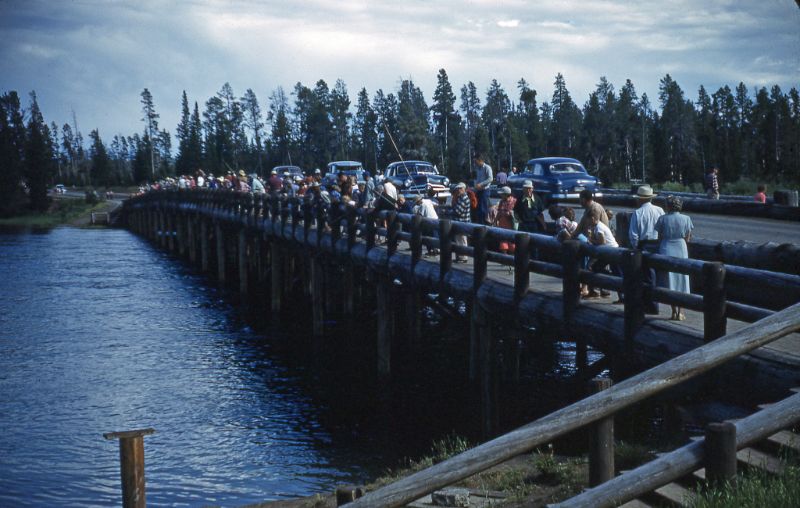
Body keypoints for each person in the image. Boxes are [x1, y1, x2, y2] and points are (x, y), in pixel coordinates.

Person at [655, 195, 694, 321]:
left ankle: (673, 311)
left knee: (670, 279)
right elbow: (688, 237)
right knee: (682, 278)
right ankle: (681, 312)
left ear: (668, 206)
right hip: (681, 246)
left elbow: (659, 237)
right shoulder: (686, 218)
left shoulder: (662, 219)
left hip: (666, 246)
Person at [628, 184, 664, 314]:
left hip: (644, 244)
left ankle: (650, 305)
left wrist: (636, 248)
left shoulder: (637, 213)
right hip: (658, 244)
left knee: (647, 277)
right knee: (657, 276)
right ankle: (655, 303)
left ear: (640, 199)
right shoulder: (660, 210)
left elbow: (633, 235)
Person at [488, 186, 517, 255]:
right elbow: (499, 212)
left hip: (511, 223)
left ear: (507, 194)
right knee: (503, 240)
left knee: (512, 240)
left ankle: (512, 257)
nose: (501, 195)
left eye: (502, 194)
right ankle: (505, 257)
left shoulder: (514, 201)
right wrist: (495, 221)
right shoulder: (501, 201)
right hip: (502, 222)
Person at [413, 189, 440, 256]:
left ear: (418, 201)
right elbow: (436, 204)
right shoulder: (428, 200)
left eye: (416, 203)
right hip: (436, 219)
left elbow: (420, 216)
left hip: (429, 221)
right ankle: (437, 249)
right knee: (436, 235)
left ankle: (432, 250)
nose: (417, 204)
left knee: (429, 236)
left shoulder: (422, 205)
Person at [451, 183, 471, 263]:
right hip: (459, 222)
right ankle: (459, 257)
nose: (458, 190)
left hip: (463, 222)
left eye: (459, 189)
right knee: (458, 240)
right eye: (457, 189)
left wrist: (449, 212)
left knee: (462, 240)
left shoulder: (464, 198)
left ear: (463, 189)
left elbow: (458, 211)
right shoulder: (460, 197)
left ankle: (463, 257)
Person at [473, 154, 493, 225]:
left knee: (483, 209)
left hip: (485, 190)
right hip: (478, 191)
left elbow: (490, 178)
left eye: (476, 161)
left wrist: (481, 184)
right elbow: (478, 179)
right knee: (478, 209)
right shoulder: (478, 169)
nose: (475, 163)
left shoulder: (487, 167)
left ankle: (484, 225)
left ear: (480, 160)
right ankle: (479, 224)